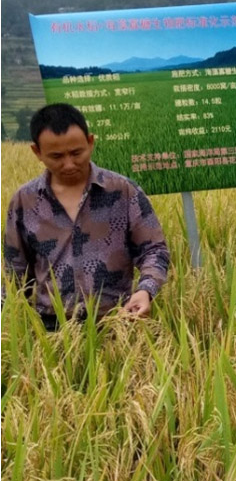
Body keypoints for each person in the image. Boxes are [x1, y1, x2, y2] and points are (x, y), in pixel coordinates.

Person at [3, 103, 170, 329]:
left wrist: (145, 290)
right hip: (52, 328)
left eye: (76, 153)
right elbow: (14, 272)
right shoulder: (25, 201)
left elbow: (154, 250)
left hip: (117, 320)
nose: (69, 164)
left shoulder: (123, 191)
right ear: (37, 152)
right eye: (57, 156)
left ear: (90, 143)